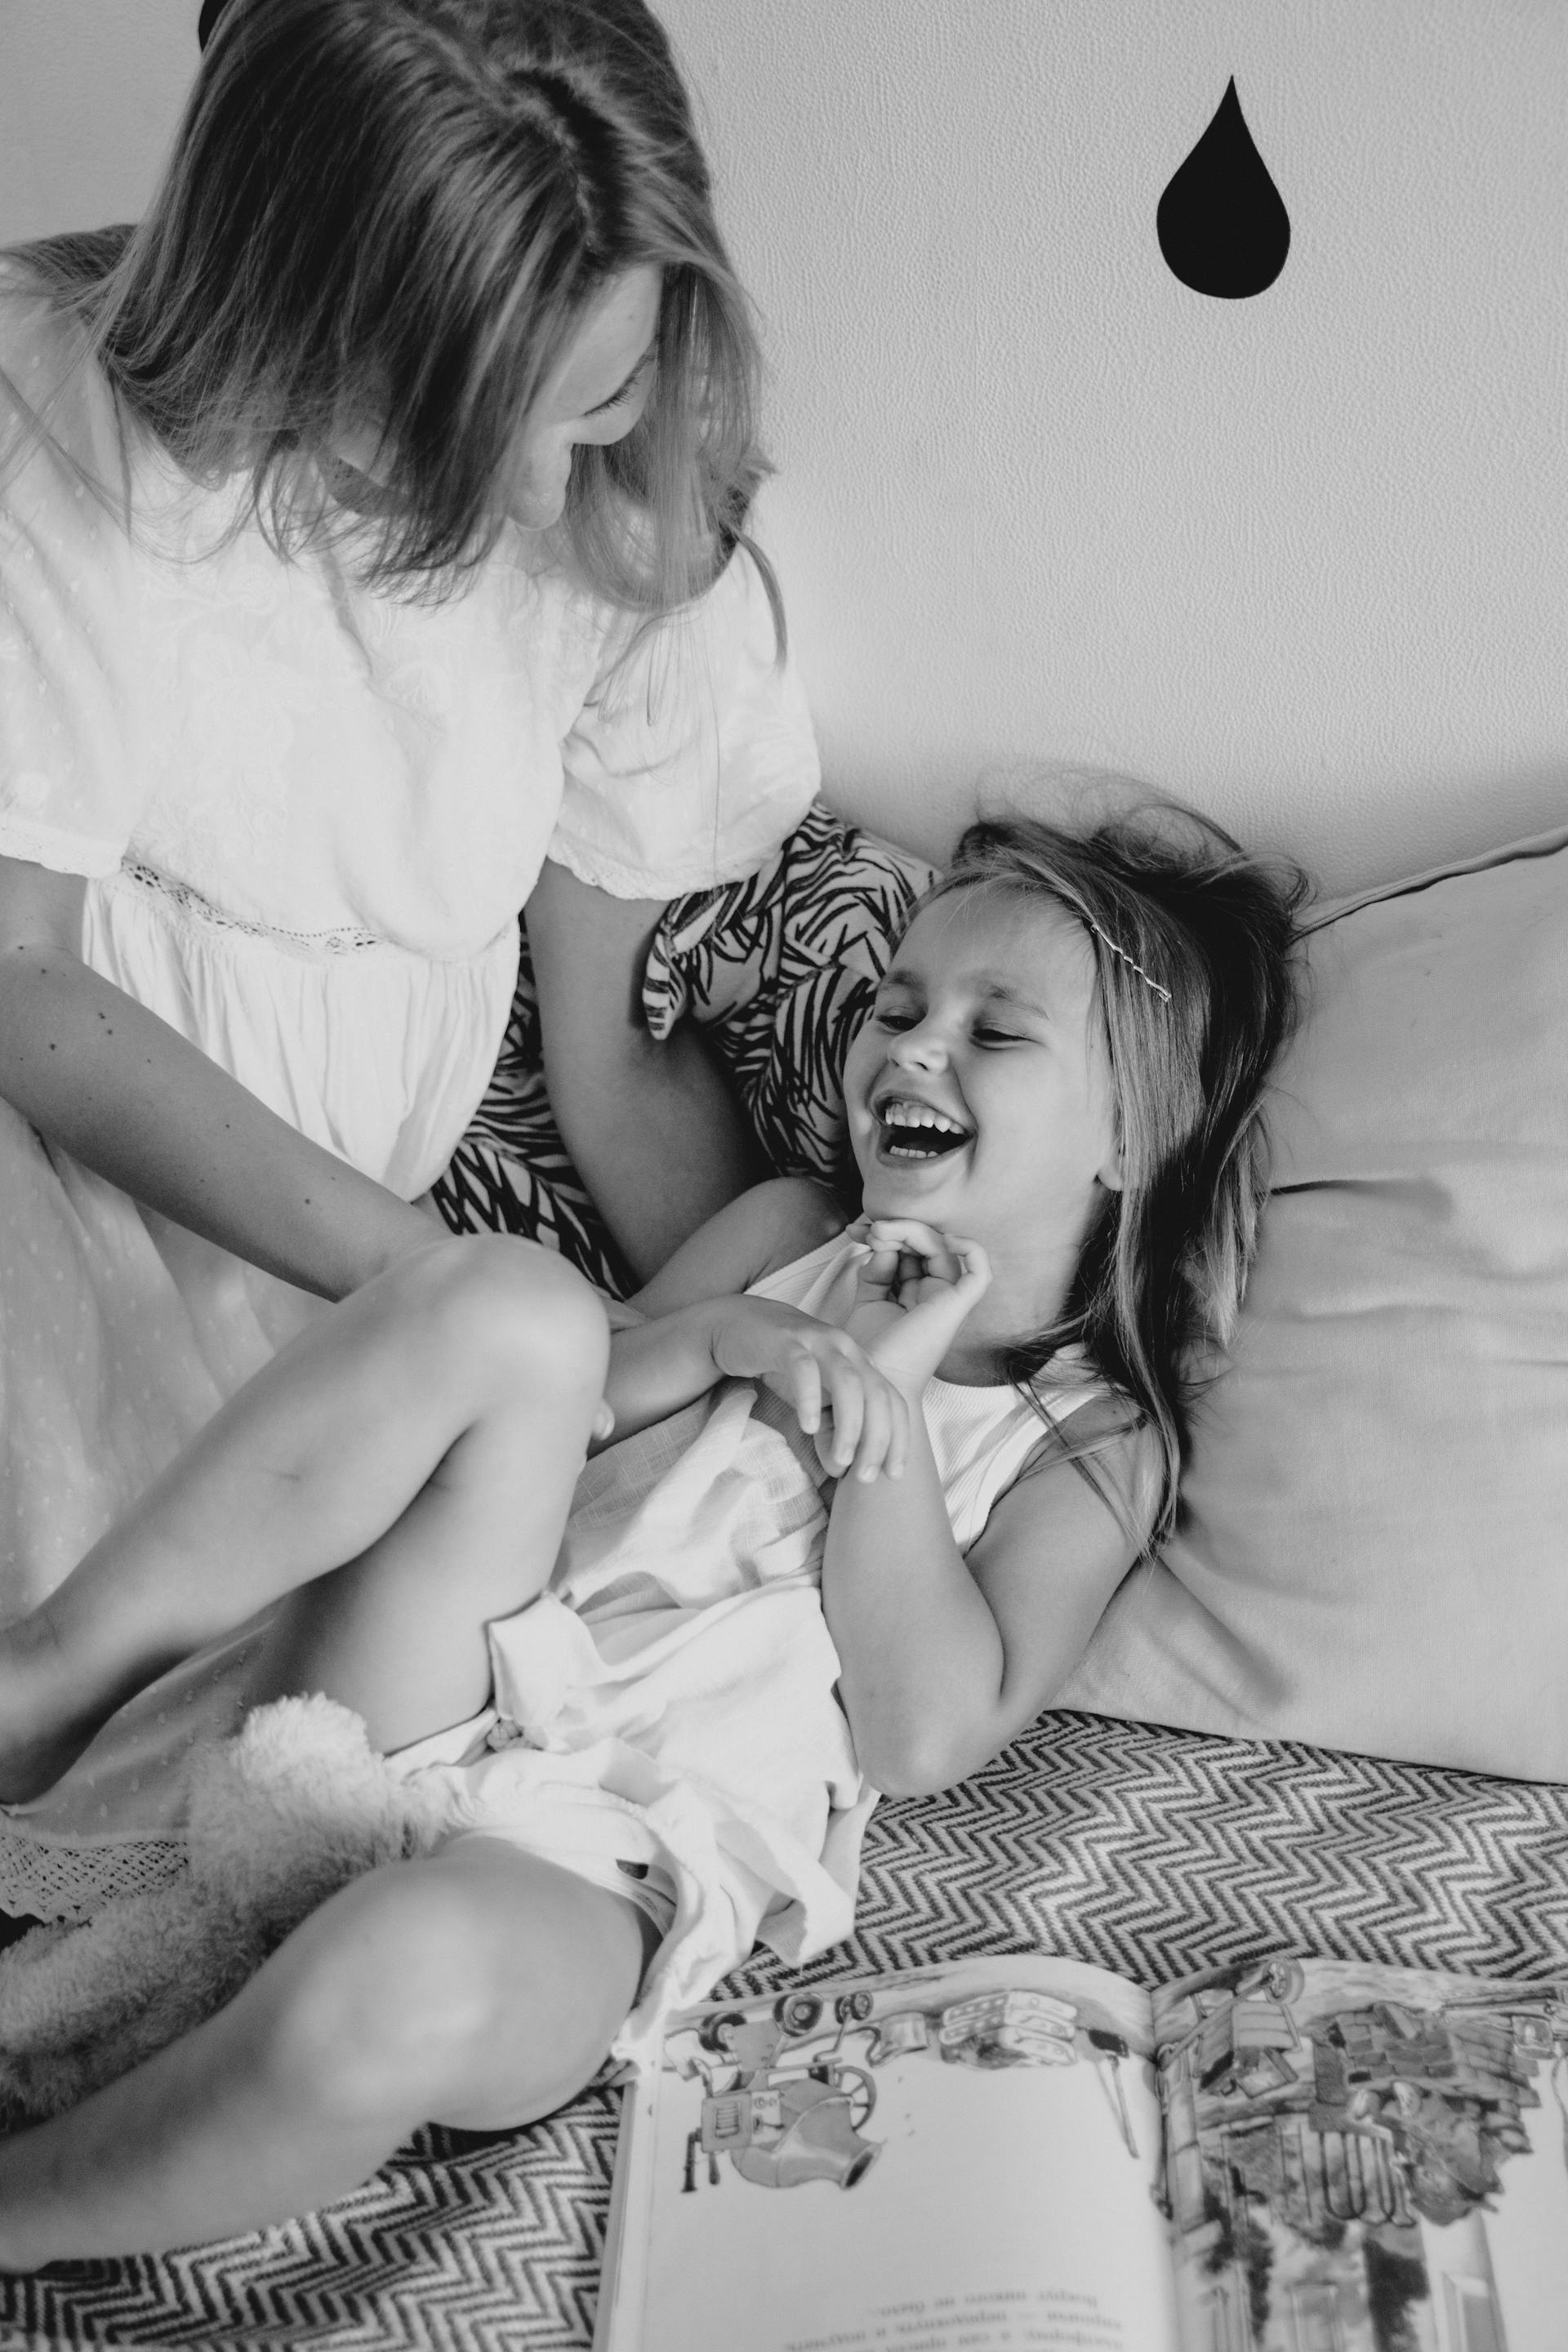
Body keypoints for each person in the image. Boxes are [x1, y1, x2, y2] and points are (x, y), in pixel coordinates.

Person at [0, 805, 1305, 2265]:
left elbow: (925, 1731)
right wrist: (704, 1347)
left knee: (397, 1982)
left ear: (1133, 1134)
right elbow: (556, 1420)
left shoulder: (1098, 1437)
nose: (913, 1048)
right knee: (513, 1304)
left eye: (996, 1034)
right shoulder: (784, 1231)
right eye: (896, 1004)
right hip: (423, 1682)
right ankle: (46, 1681)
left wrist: (882, 1395)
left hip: (608, 1843)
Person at [0, 0, 817, 1678]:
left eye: (593, 399)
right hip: (64, 1203)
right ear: (295, 329)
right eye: (461, 433)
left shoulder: (632, 516)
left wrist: (758, 1348)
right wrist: (455, 1293)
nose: (537, 489)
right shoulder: (59, 419)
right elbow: (21, 979)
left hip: (356, 1289)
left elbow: (609, 1066)